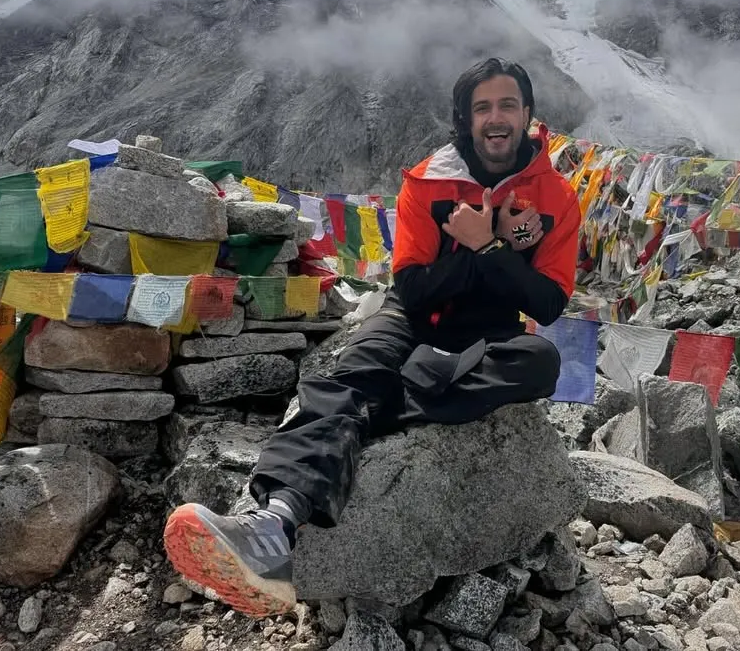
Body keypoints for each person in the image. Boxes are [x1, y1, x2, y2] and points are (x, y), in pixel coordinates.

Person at [163, 57, 583, 618]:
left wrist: (488, 247)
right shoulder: (428, 180)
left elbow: (548, 304)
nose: (496, 118)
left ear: (528, 114)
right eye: (483, 107)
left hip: (492, 332)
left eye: (508, 105)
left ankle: (375, 404)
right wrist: (480, 252)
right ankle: (273, 523)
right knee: (350, 373)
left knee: (539, 360)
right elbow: (413, 284)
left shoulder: (555, 196)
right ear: (465, 118)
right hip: (413, 316)